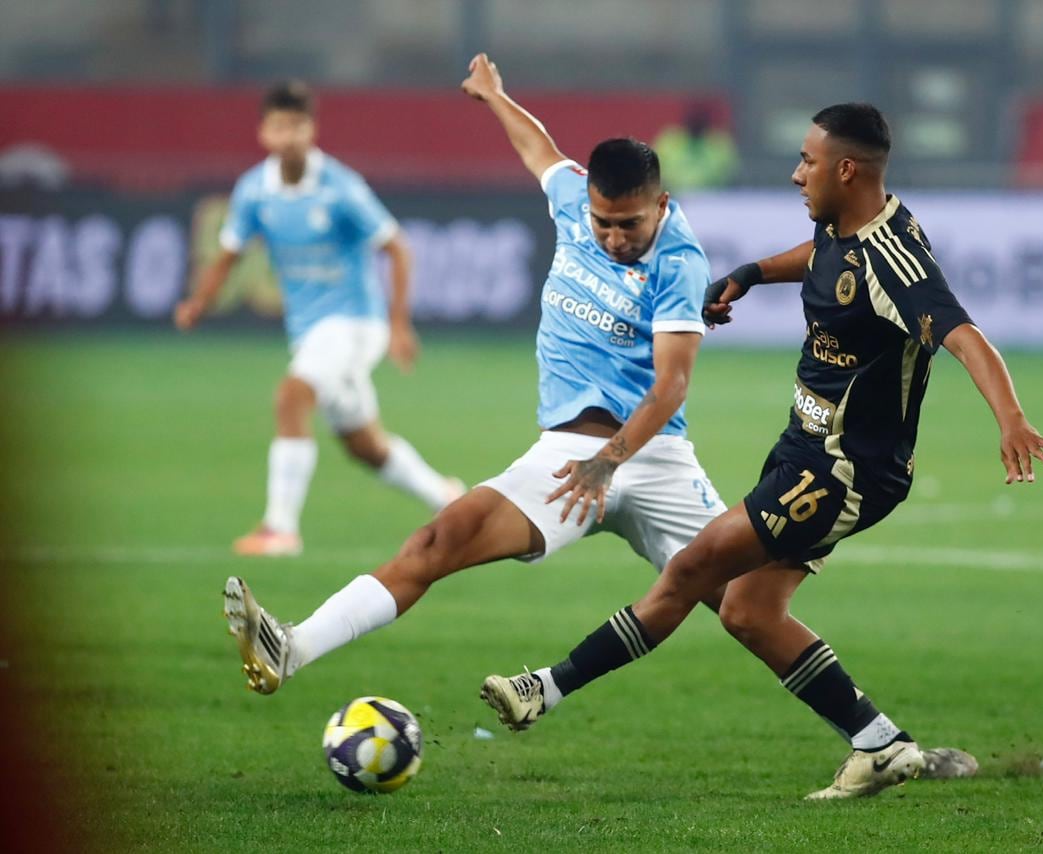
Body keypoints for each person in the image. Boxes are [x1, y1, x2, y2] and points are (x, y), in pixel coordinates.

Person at [481, 102, 1043, 800]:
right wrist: (751, 274)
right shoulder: (844, 224)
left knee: (692, 568)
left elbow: (964, 336)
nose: (796, 173)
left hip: (843, 470)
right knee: (748, 613)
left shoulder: (896, 264)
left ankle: (545, 688)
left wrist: (1011, 419)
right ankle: (881, 744)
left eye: (808, 161)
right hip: (805, 448)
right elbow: (823, 259)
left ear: (847, 170)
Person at [219, 53, 725, 696]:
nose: (615, 238)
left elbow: (672, 386)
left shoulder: (679, 262)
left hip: (654, 459)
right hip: (566, 458)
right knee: (437, 539)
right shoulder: (573, 197)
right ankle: (291, 647)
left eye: (631, 224)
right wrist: (494, 95)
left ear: (661, 205)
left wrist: (610, 460)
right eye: (604, 223)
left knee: (750, 609)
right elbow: (538, 148)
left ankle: (857, 725)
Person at [175, 80, 463, 557]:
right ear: (263, 132)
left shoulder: (341, 187)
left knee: (292, 396)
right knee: (364, 445)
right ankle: (447, 497)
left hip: (356, 324)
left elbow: (397, 248)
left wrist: (398, 324)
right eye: (279, 126)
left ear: (311, 130)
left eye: (296, 126)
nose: (287, 136)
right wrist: (198, 302)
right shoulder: (254, 190)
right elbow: (228, 253)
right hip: (310, 331)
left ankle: (280, 528)